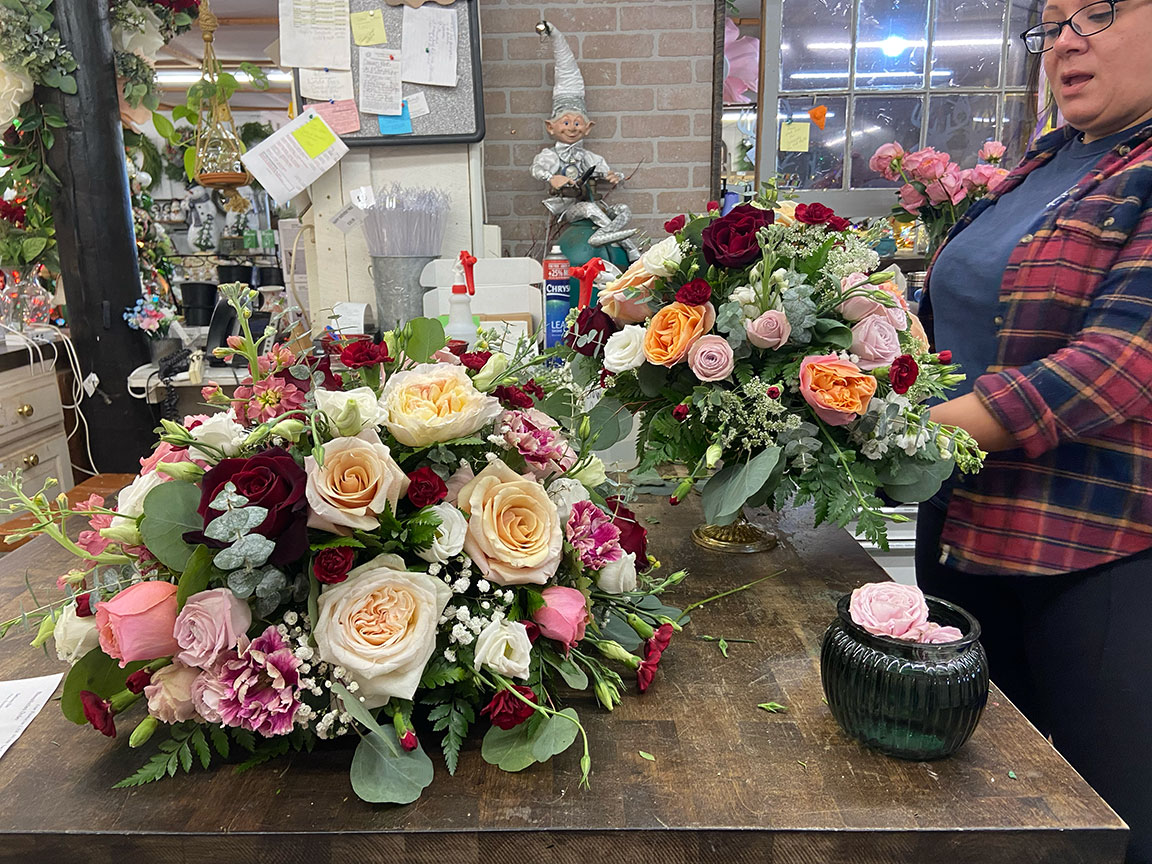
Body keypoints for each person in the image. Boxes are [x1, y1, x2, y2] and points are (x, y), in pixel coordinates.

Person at [916, 1, 1152, 860]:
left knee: (1106, 815)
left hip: (1091, 547)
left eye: (1099, 11)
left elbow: (1119, 364)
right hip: (962, 520)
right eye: (1051, 24)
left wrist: (914, 432)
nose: (1066, 40)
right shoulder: (1047, 161)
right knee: (977, 792)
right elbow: (949, 312)